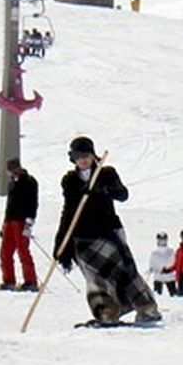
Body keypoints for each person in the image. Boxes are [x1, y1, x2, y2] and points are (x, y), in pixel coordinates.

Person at [53, 136, 161, 324]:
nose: (83, 160)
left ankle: (147, 308)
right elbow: (68, 212)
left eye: (86, 155)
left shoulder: (106, 174)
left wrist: (103, 189)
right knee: (96, 279)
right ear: (73, 159)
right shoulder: (69, 180)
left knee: (126, 272)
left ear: (93, 155)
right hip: (84, 237)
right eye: (79, 156)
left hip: (109, 232)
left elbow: (123, 195)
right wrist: (61, 242)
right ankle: (107, 313)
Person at [0, 157, 39, 291]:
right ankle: (8, 280)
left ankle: (30, 281)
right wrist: (4, 224)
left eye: (15, 169)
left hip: (22, 221)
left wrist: (29, 222)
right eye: (10, 170)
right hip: (10, 221)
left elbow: (33, 204)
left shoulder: (30, 182)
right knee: (5, 252)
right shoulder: (11, 184)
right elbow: (9, 205)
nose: (13, 172)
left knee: (23, 251)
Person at [146, 231, 177, 296]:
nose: (162, 242)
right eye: (160, 240)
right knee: (157, 295)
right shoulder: (154, 253)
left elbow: (173, 262)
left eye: (164, 240)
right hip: (158, 276)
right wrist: (150, 271)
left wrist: (167, 268)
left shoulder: (170, 251)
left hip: (169, 276)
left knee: (174, 295)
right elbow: (152, 265)